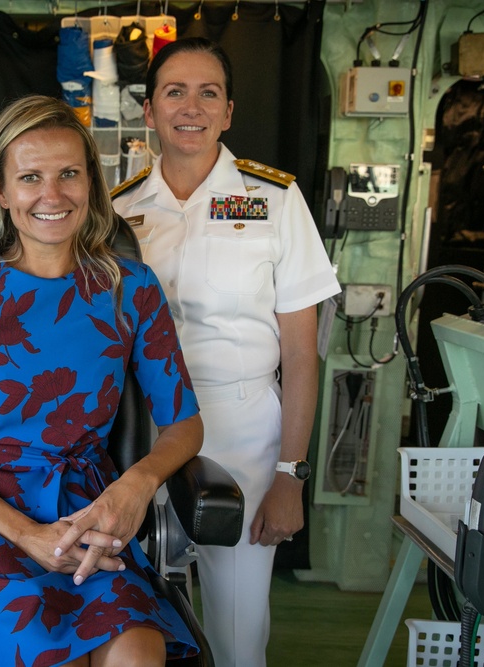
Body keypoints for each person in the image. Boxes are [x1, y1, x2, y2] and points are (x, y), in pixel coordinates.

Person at [0, 95, 204, 666]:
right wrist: (25, 535)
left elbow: (184, 425)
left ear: (91, 181)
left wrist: (134, 487)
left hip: (87, 508)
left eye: (69, 173)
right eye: (30, 177)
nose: (52, 195)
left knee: (138, 653)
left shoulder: (131, 288)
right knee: (44, 650)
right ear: (1, 190)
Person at [111, 38, 341, 667]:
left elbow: (300, 355)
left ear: (230, 111)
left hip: (240, 427)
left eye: (208, 92)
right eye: (174, 92)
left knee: (239, 630)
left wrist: (292, 476)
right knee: (130, 613)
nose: (192, 106)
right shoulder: (115, 210)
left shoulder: (274, 201)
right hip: (139, 425)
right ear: (150, 110)